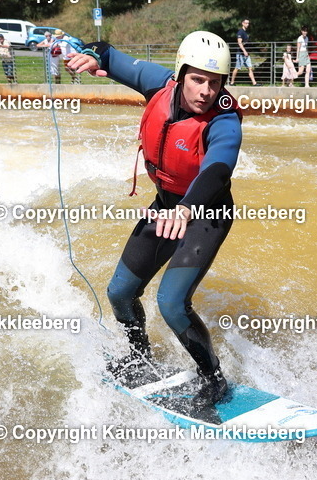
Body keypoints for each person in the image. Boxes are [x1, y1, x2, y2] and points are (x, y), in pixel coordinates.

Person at [66, 32, 243, 416]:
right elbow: (108, 53)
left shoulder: (225, 120)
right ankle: (139, 357)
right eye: (198, 79)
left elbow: (217, 169)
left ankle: (213, 378)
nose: (206, 91)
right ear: (181, 75)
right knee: (120, 292)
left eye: (215, 83)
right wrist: (89, 57)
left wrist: (186, 210)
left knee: (172, 303)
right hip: (164, 206)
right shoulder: (159, 85)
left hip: (205, 213)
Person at [229, 19, 257, 86]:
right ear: (242, 23)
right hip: (241, 54)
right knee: (237, 68)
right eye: (246, 23)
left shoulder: (246, 32)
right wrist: (244, 51)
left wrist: (247, 52)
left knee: (250, 68)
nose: (247, 24)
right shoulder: (240, 32)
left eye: (248, 23)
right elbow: (239, 43)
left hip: (247, 54)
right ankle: (232, 82)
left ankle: (254, 83)